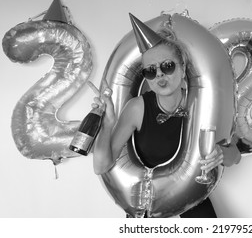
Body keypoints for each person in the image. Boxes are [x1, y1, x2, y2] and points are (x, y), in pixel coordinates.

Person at [90, 13, 241, 217]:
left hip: (191, 203)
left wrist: (222, 154)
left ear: (183, 68)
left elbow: (236, 156)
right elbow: (101, 166)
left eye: (167, 66)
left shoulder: (201, 104)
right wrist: (107, 124)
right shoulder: (137, 108)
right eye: (150, 71)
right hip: (149, 210)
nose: (159, 75)